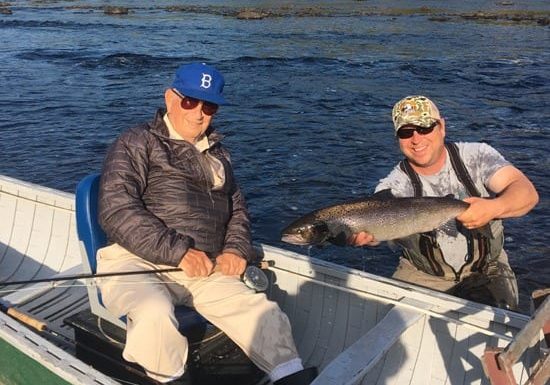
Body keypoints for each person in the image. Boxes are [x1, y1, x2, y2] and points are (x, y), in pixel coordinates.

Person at [96, 62, 317, 384]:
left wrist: (235, 250)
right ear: (170, 98)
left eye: (209, 105)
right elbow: (116, 210)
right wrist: (179, 252)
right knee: (153, 314)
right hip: (136, 261)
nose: (199, 113)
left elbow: (238, 209)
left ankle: (289, 376)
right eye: (190, 101)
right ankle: (169, 379)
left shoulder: (219, 153)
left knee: (263, 313)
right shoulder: (135, 142)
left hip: (206, 268)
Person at [350, 95, 538, 310]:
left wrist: (493, 207)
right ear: (397, 138)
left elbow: (526, 193)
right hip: (421, 273)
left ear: (441, 127)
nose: (416, 139)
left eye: (425, 127)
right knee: (394, 329)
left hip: (488, 269)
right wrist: (368, 237)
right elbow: (378, 231)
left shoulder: (477, 156)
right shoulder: (392, 187)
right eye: (406, 132)